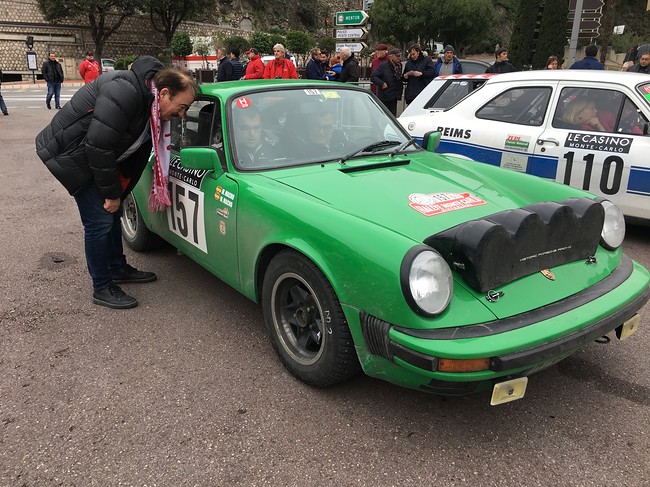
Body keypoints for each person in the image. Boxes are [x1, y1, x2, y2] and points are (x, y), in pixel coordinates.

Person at [35, 56, 197, 309]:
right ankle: (102, 286)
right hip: (73, 154)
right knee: (99, 220)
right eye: (182, 106)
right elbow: (98, 146)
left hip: (99, 156)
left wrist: (119, 194)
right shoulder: (126, 91)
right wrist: (111, 194)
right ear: (164, 93)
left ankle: (117, 267)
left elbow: (128, 148)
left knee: (114, 212)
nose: (182, 114)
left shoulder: (150, 99)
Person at [370, 48, 404, 116]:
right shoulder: (384, 66)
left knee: (393, 117)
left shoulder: (399, 65)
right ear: (391, 56)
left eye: (400, 56)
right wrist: (382, 83)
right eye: (397, 56)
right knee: (384, 116)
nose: (399, 58)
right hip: (385, 96)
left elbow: (398, 78)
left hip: (394, 96)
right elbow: (373, 76)